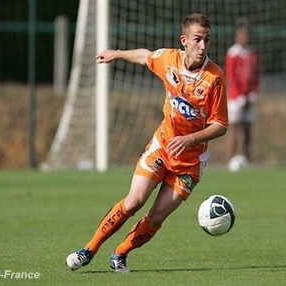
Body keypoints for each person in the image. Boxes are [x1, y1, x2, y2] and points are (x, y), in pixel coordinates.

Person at [66, 13, 228, 273]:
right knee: (134, 201)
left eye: (207, 40)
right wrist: (117, 53)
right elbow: (144, 56)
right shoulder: (170, 60)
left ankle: (120, 254)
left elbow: (220, 125)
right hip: (162, 146)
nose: (202, 46)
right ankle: (89, 249)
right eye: (197, 39)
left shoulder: (214, 78)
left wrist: (189, 139)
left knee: (155, 216)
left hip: (190, 163)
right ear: (184, 41)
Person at [224, 18, 260, 168]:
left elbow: (256, 75)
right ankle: (229, 162)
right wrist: (239, 97)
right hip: (235, 98)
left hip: (249, 98)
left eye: (247, 34)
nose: (244, 37)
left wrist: (252, 95)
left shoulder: (252, 54)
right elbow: (231, 77)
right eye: (242, 34)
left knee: (247, 132)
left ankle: (248, 161)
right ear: (237, 36)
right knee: (233, 131)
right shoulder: (232, 54)